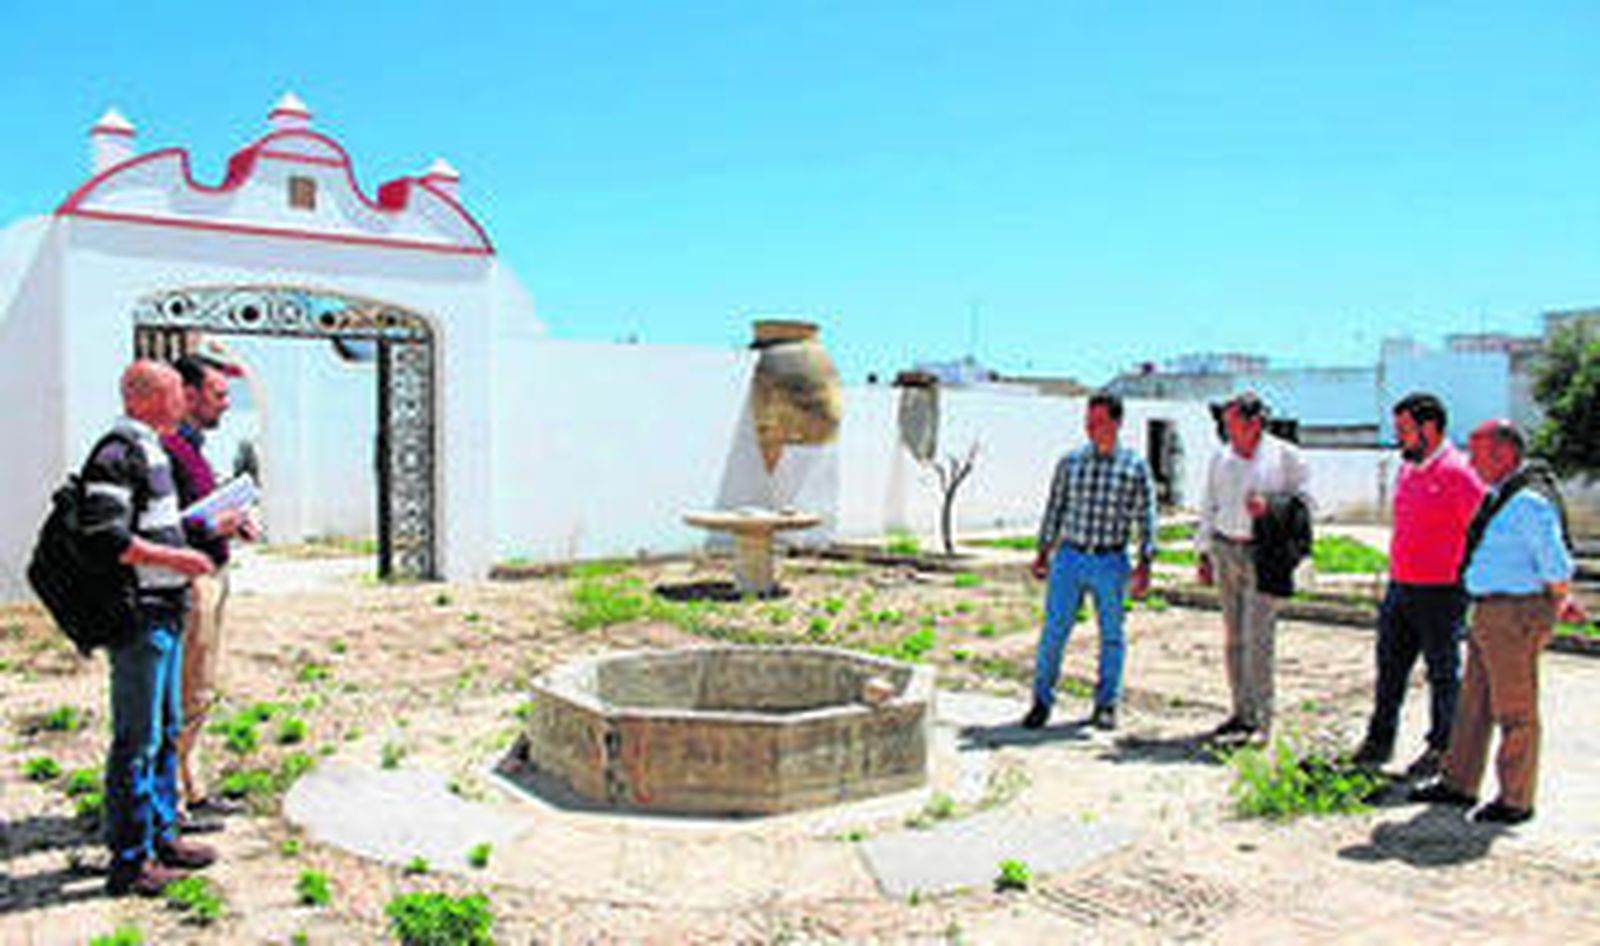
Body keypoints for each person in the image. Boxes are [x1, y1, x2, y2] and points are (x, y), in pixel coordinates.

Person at [80, 361, 218, 895]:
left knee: (164, 731)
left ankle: (163, 835)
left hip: (166, 608)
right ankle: (129, 860)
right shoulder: (117, 453)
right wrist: (180, 561)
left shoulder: (153, 448)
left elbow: (156, 523)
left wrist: (201, 529)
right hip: (139, 615)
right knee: (136, 739)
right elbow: (106, 538)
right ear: (139, 399)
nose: (183, 400)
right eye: (171, 393)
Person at [1410, 420, 1585, 824]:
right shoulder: (1503, 494)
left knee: (1515, 707)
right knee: (1475, 703)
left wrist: (1561, 597)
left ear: (1505, 454)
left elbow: (1555, 561)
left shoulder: (1529, 502)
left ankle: (1516, 799)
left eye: (1478, 453)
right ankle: (1459, 782)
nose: (1470, 462)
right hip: (1492, 611)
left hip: (1515, 612)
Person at [1351, 394, 1485, 778]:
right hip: (1402, 586)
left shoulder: (1459, 473)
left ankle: (1443, 748)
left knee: (1443, 673)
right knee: (1389, 670)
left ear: (1429, 429)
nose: (1400, 439)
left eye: (1405, 431)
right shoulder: (1409, 469)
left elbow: (1480, 531)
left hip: (1442, 590)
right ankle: (1379, 742)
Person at [1022, 392, 1156, 731]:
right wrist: (1043, 552)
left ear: (1116, 422)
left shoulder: (1135, 467)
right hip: (1070, 557)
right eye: (1087, 422)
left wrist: (1145, 563)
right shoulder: (1071, 463)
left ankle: (1106, 704)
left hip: (1111, 560)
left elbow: (1146, 516)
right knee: (1054, 632)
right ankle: (1041, 701)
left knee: (1112, 635)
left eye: (1097, 422)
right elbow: (1055, 508)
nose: (1090, 429)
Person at [164, 353, 256, 827]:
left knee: (201, 683)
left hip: (211, 571)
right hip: (190, 579)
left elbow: (190, 514)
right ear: (190, 393)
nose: (225, 404)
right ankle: (174, 800)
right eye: (218, 394)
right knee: (188, 685)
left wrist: (228, 523)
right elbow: (161, 524)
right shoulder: (166, 448)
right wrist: (208, 525)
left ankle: (190, 786)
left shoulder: (192, 446)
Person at [1195, 393, 1310, 743]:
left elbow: (1306, 504)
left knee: (1259, 638)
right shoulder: (1222, 457)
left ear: (1254, 423)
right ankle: (1240, 713)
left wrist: (1271, 506)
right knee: (1234, 638)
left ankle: (1262, 721)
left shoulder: (1286, 457)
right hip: (1226, 548)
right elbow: (1209, 504)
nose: (1226, 430)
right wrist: (1203, 553)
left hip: (1264, 554)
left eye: (1232, 424)